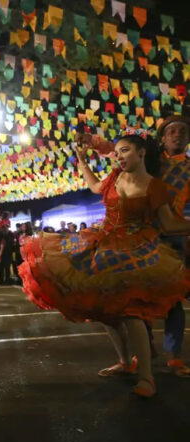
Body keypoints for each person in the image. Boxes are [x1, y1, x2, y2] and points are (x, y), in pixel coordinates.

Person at [19, 133, 190, 397]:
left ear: (142, 153)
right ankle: (125, 362)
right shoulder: (115, 177)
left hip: (136, 250)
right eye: (117, 152)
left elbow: (168, 224)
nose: (119, 157)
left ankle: (147, 378)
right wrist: (82, 162)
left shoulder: (155, 186)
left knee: (131, 312)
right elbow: (96, 188)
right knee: (106, 310)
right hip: (103, 245)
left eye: (125, 151)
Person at [87, 117, 190, 377]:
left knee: (173, 299)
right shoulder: (152, 160)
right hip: (143, 234)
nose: (177, 135)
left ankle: (174, 356)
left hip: (174, 234)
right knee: (136, 296)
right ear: (162, 139)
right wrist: (93, 143)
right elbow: (119, 149)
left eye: (183, 132)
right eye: (172, 132)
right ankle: (143, 353)